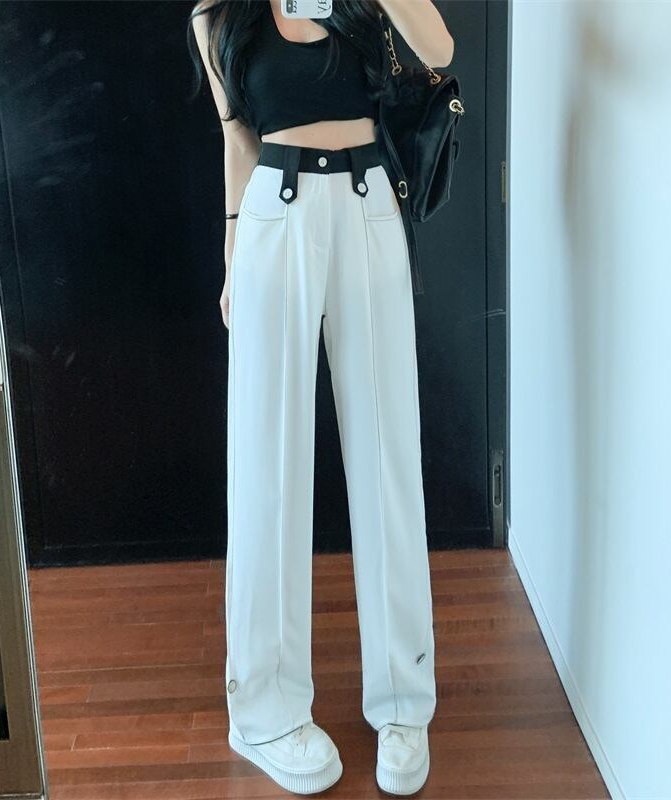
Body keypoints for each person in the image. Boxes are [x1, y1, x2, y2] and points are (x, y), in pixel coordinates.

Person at [188, 0, 454, 794]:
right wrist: (232, 255)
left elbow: (439, 51)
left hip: (370, 208)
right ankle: (263, 712)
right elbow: (238, 138)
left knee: (388, 458)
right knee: (266, 465)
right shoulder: (218, 16)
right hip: (274, 218)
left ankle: (403, 701)